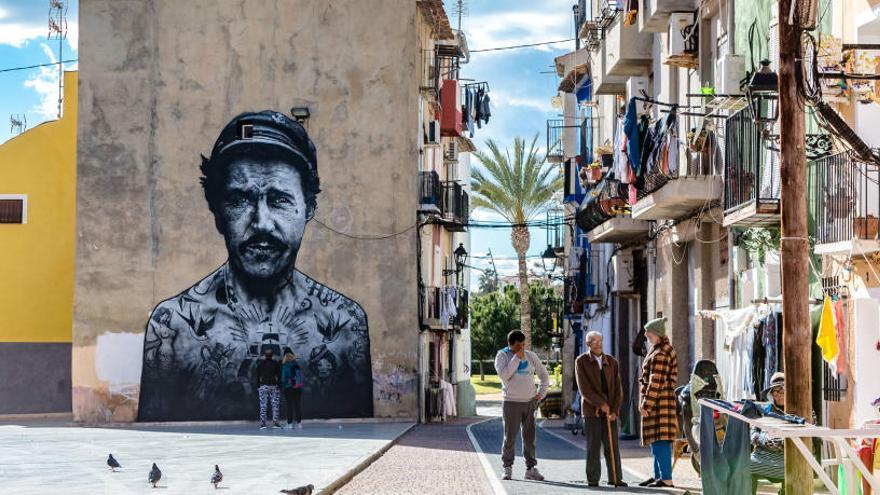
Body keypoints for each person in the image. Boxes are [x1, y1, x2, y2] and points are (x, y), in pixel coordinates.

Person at [138, 110, 372, 421]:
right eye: (240, 200)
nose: (261, 223)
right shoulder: (173, 325)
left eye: (279, 200)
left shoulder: (345, 324)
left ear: (309, 208)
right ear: (217, 212)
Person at [494, 330, 550, 482]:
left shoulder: (531, 356)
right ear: (510, 344)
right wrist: (516, 359)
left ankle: (531, 469)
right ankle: (507, 468)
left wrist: (541, 393)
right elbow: (504, 376)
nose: (522, 348)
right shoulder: (502, 356)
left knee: (530, 438)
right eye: (518, 345)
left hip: (530, 402)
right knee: (510, 438)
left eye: (523, 345)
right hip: (511, 402)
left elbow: (544, 375)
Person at [575, 331, 627, 488]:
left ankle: (616, 478)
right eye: (594, 341)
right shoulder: (581, 361)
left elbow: (618, 389)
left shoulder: (612, 362)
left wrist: (614, 409)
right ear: (588, 344)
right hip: (592, 412)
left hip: (610, 411)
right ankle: (593, 479)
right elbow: (584, 389)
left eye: (600, 341)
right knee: (593, 446)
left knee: (613, 446)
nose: (598, 344)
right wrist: (601, 405)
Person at [638, 316, 679, 488]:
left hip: (659, 403)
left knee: (660, 440)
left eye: (649, 334)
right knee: (657, 440)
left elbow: (656, 381)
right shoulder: (660, 349)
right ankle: (658, 476)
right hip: (661, 402)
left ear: (658, 334)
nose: (647, 336)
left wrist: (646, 403)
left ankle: (666, 478)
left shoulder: (661, 353)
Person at [751, 372, 786, 494]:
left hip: (785, 456)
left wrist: (779, 443)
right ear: (771, 394)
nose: (779, 395)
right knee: (745, 467)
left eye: (781, 390)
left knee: (792, 469)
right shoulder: (764, 410)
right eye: (775, 392)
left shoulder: (796, 408)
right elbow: (753, 432)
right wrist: (764, 440)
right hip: (762, 455)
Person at [256, 347, 282, 428]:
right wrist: (279, 385)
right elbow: (279, 376)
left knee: (263, 405)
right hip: (274, 386)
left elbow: (257, 376)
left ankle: (263, 424)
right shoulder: (275, 363)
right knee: (275, 405)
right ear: (272, 355)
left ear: (265, 355)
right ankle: (275, 423)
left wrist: (258, 386)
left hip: (263, 386)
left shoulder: (260, 364)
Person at [281, 348, 305, 430]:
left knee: (289, 407)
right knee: (298, 406)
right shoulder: (297, 365)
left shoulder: (285, 366)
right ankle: (299, 424)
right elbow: (301, 377)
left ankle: (290, 424)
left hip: (288, 388)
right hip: (298, 388)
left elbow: (283, 379)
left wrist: (283, 385)